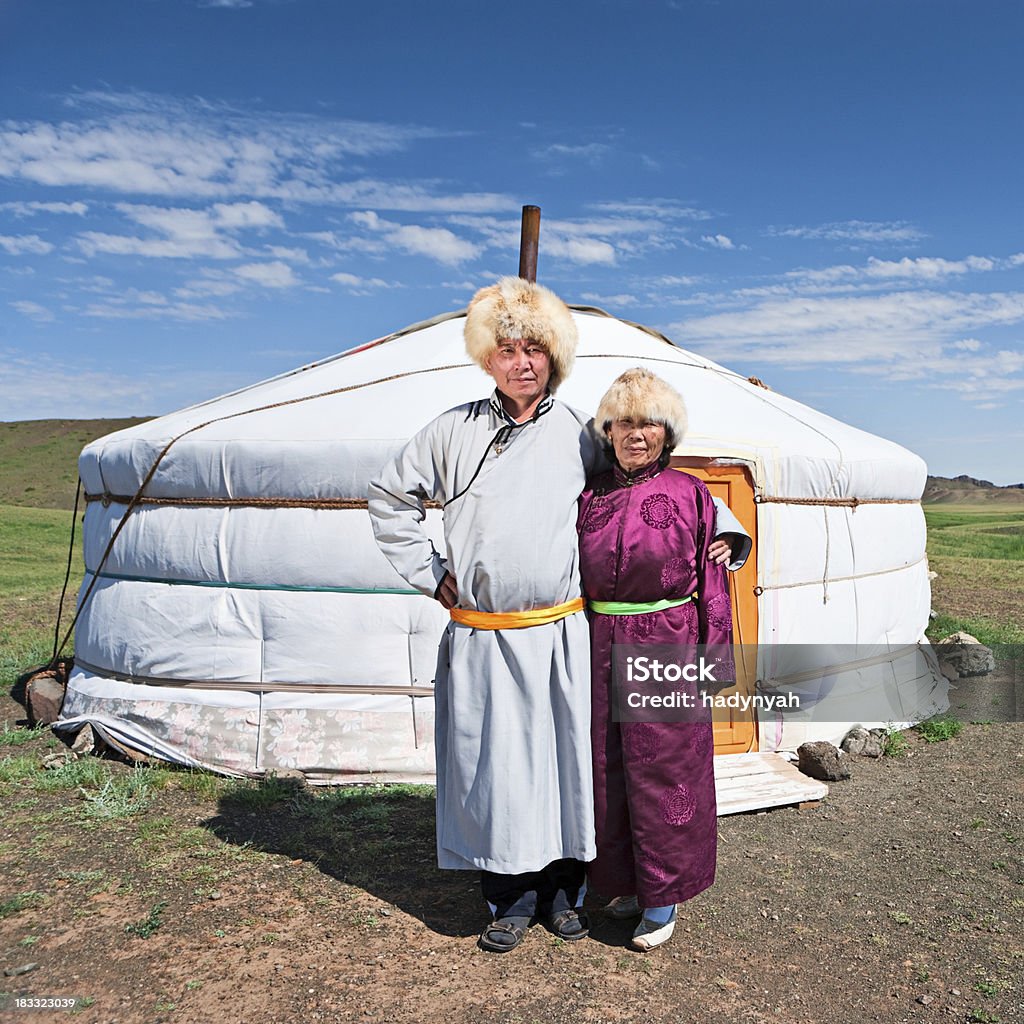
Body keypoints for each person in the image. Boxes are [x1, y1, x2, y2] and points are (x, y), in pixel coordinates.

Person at [368, 277, 598, 952]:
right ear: (486, 358)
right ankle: (510, 899)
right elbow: (389, 497)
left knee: (564, 768)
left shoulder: (586, 434)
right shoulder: (452, 431)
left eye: (533, 348)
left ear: (554, 356)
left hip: (561, 634)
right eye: (507, 350)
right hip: (487, 637)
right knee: (497, 771)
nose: (520, 361)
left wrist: (719, 531)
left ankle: (564, 893)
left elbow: (649, 486)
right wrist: (434, 574)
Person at [577, 367, 735, 952]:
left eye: (648, 424)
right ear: (609, 430)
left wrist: (713, 663)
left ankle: (663, 896)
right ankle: (621, 883)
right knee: (605, 766)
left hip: (665, 636)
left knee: (664, 769)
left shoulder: (693, 495)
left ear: (667, 433)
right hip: (596, 637)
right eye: (624, 423)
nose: (635, 434)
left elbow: (714, 581)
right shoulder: (589, 494)